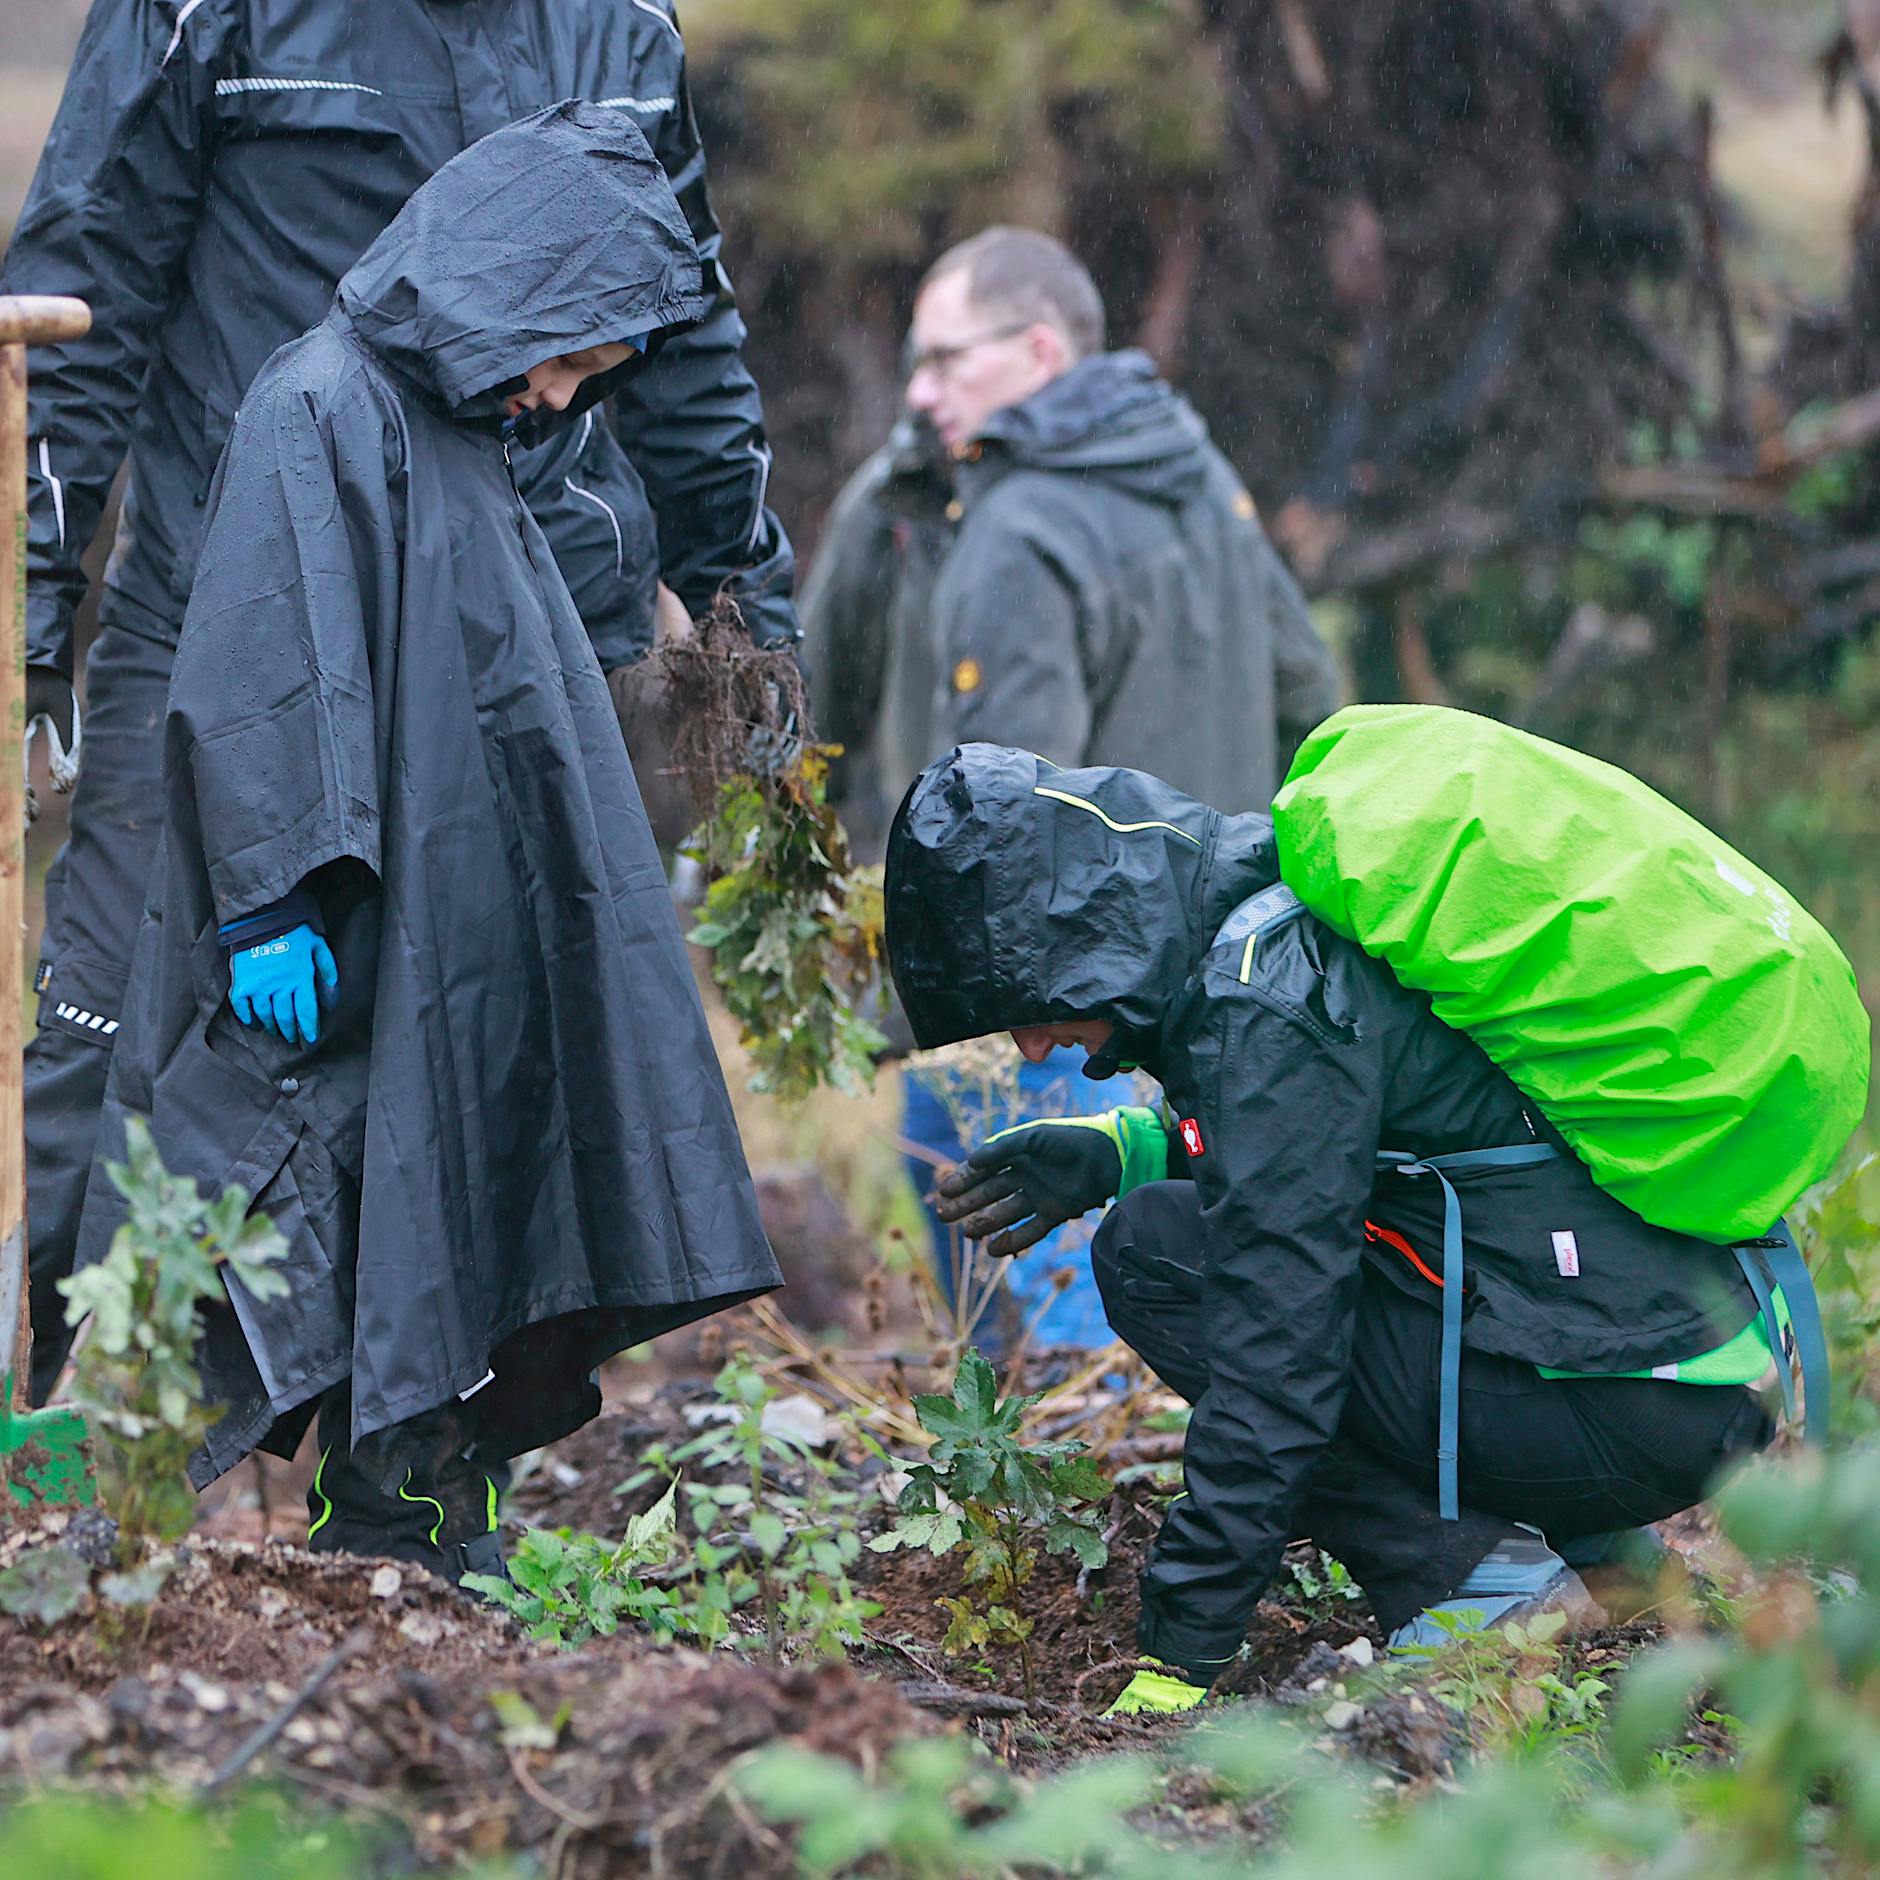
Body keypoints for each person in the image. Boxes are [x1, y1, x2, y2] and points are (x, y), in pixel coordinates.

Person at [4, 0, 797, 1407]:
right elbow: (84, 289)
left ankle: (418, 1475)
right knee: (117, 1029)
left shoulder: (617, 25)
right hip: (232, 610)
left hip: (524, 630)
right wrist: (28, 625)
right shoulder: (208, 8)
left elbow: (672, 312)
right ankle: (59, 1443)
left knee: (491, 1049)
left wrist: (743, 618)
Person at [886, 743, 1788, 1711]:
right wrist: (1117, 1150)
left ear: (1088, 940)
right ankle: (1603, 1554)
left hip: (1620, 1408)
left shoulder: (1262, 997)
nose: (1029, 1042)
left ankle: (1467, 1576)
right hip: (1678, 1376)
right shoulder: (1286, 921)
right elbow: (1356, 1138)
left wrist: (1179, 1651)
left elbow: (1277, 1360)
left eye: (1026, 1001)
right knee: (1167, 1228)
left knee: (1162, 1259)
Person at [804, 228, 1341, 1352]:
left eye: (946, 359)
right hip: (1210, 992)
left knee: (1051, 1345)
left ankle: (1061, 1505)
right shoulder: (1195, 474)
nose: (919, 389)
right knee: (1154, 1307)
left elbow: (1002, 827)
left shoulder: (1018, 525)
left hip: (1037, 1004)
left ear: (1038, 347)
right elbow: (1312, 695)